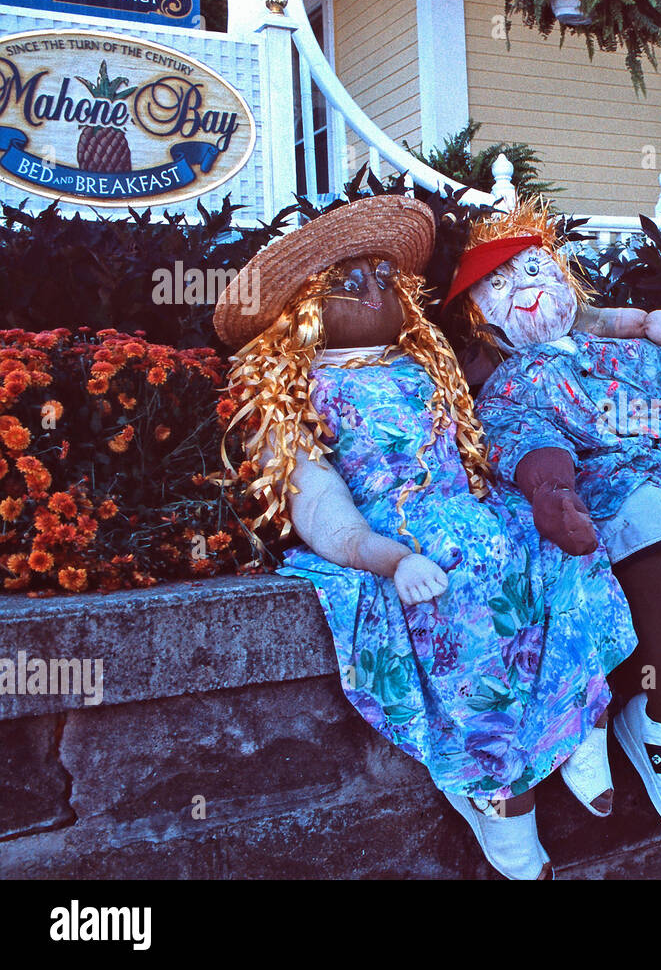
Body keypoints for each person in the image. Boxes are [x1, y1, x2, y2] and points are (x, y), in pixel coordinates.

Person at [216, 195, 637, 880]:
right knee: (464, 581)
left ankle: (580, 714)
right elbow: (320, 503)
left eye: (385, 278)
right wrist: (386, 556)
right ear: (300, 307)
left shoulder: (427, 363)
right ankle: (497, 784)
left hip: (469, 502)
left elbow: (488, 424)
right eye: (349, 284)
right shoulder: (292, 393)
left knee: (558, 541)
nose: (375, 291)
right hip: (401, 529)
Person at [447, 198, 661, 855]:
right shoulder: (513, 378)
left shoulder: (622, 349)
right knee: (654, 523)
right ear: (477, 314)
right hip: (607, 472)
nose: (527, 287)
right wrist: (552, 492)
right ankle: (660, 721)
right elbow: (524, 437)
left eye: (535, 270)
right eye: (503, 282)